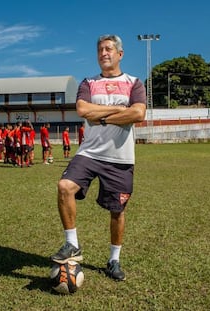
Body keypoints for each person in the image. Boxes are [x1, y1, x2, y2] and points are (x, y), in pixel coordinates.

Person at [50, 34, 146, 281]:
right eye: (100, 50)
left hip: (121, 159)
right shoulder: (88, 82)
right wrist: (117, 111)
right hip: (90, 153)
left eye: (109, 49)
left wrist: (100, 116)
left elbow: (137, 113)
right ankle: (72, 244)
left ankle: (114, 260)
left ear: (120, 54)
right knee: (64, 187)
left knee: (117, 211)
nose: (104, 53)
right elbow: (83, 110)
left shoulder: (134, 83)